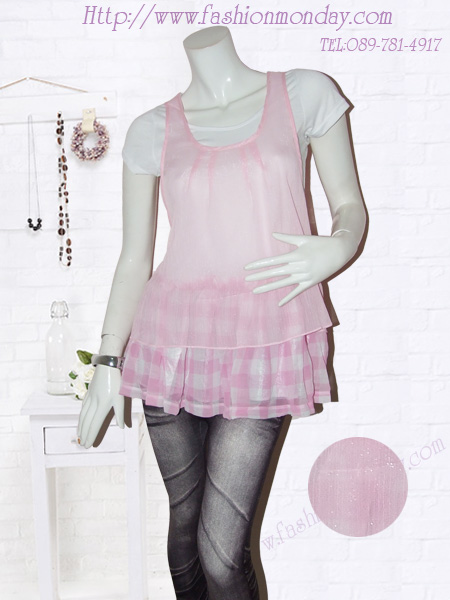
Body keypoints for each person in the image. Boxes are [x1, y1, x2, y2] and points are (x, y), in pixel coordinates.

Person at [77, 25, 366, 600]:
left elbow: (350, 205)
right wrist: (107, 362)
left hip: (264, 340)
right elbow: (135, 258)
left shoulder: (304, 93)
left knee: (221, 553)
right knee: (185, 534)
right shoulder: (151, 129)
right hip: (170, 343)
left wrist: (338, 245)